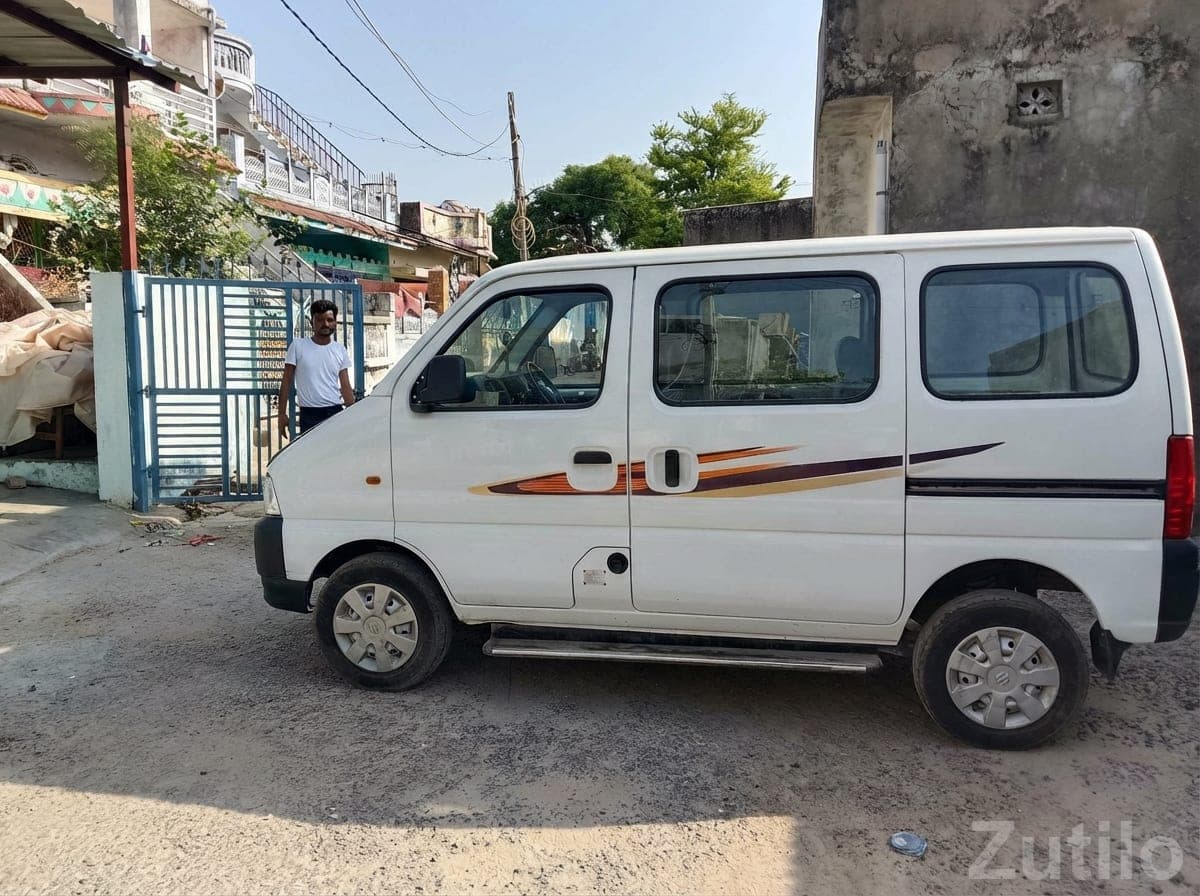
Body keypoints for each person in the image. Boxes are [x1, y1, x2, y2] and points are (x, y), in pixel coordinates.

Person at [277, 299, 355, 437]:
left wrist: (355, 414)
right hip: (309, 414)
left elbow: (345, 386)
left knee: (335, 455)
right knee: (310, 456)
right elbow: (286, 381)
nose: (325, 324)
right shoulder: (298, 346)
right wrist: (281, 414)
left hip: (335, 412)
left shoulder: (339, 350)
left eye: (330, 320)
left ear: (335, 323)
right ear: (311, 322)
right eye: (319, 320)